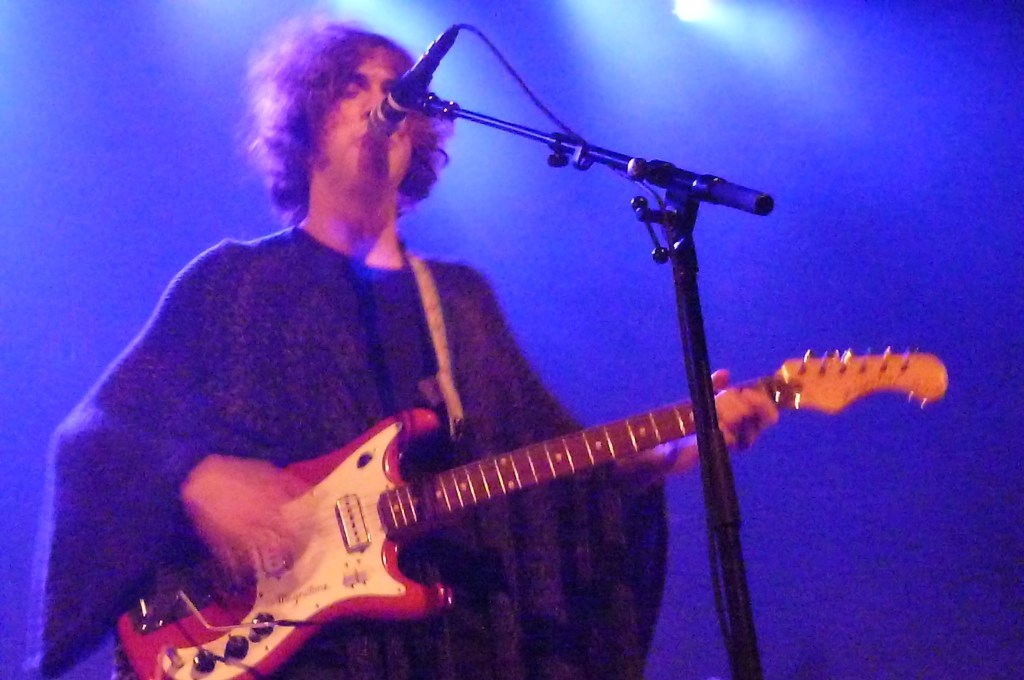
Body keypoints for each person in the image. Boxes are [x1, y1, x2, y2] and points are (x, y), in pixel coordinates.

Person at [30, 18, 778, 680]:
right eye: (350, 88)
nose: (379, 103)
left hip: (450, 651)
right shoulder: (234, 284)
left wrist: (667, 451)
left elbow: (541, 481)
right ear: (305, 122)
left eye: (395, 90)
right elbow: (101, 437)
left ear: (419, 133)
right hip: (285, 656)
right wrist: (192, 475)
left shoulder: (460, 303)